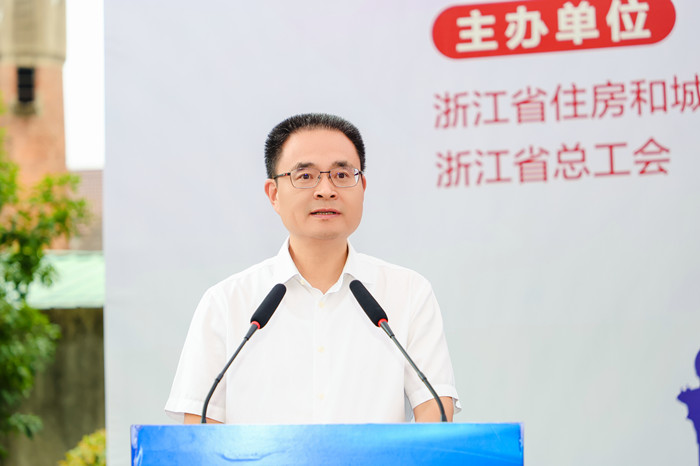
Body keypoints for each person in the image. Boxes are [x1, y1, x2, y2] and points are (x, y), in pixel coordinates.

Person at [165, 113, 459, 424]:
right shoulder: (225, 303)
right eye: (305, 176)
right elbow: (200, 430)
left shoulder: (408, 292)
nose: (326, 190)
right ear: (274, 194)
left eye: (342, 174)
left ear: (362, 187)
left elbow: (436, 413)